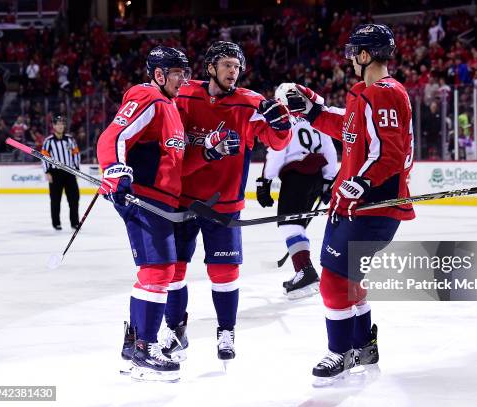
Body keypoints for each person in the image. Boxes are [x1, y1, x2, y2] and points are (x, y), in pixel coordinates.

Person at [295, 24, 415, 384]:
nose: (349, 59)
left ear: (365, 55)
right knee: (349, 280)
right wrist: (314, 111)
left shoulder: (384, 93)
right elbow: (348, 128)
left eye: (353, 53)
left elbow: (389, 154)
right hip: (358, 206)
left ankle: (340, 352)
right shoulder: (365, 93)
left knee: (333, 280)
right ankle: (363, 345)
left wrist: (358, 184)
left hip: (371, 206)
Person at [162, 41, 292, 363]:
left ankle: (226, 331)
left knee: (224, 272)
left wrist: (282, 126)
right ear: (210, 68)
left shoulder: (251, 104)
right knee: (174, 271)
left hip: (224, 204)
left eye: (237, 66)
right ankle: (176, 330)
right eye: (227, 65)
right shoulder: (184, 94)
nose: (233, 72)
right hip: (182, 202)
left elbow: (276, 141)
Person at [96, 45, 193, 382]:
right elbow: (114, 135)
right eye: (177, 73)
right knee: (159, 270)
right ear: (159, 74)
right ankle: (145, 349)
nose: (183, 79)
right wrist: (116, 171)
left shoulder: (170, 107)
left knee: (156, 271)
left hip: (161, 201)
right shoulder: (148, 97)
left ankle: (134, 346)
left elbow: (173, 158)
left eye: (184, 72)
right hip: (145, 199)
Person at [256, 82, 338, 299]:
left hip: (296, 176)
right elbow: (329, 148)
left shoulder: (283, 119)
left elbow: (277, 150)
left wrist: (265, 181)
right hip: (316, 175)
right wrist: (329, 181)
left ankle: (305, 271)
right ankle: (304, 269)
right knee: (296, 225)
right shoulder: (316, 117)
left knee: (288, 225)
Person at [41, 116, 80, 230]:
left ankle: (75, 222)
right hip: (55, 173)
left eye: (62, 124)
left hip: (69, 173)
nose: (60, 126)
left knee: (74, 198)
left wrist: (76, 169)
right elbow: (44, 157)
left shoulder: (70, 139)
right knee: (55, 200)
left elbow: (76, 154)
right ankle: (56, 223)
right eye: (58, 124)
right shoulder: (48, 141)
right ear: (53, 126)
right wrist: (47, 172)